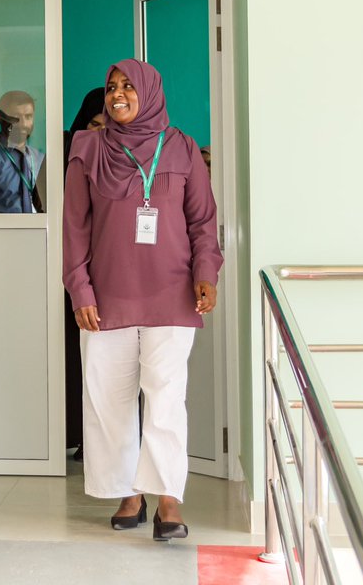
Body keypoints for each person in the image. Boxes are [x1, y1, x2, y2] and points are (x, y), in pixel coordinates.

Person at [62, 59, 222, 542]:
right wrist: (80, 289)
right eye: (112, 87)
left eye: (129, 86)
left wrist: (206, 274)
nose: (118, 95)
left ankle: (168, 496)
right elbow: (74, 228)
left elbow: (202, 222)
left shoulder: (183, 148)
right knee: (110, 399)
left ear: (150, 91)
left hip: (172, 293)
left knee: (166, 398)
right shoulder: (88, 148)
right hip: (105, 297)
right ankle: (129, 490)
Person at [62, 86, 106, 461]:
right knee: (67, 356)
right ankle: (67, 433)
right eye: (93, 124)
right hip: (66, 274)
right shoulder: (66, 157)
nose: (99, 134)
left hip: (108, 277)